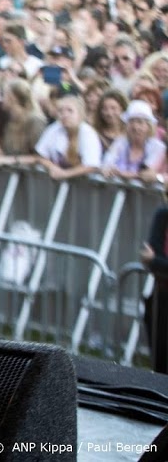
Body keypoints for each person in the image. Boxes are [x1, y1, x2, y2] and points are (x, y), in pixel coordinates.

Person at [101, 100, 166, 183]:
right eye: (132, 122)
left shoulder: (157, 146)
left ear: (148, 126)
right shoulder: (120, 143)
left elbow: (147, 175)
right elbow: (106, 165)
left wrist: (120, 174)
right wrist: (108, 170)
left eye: (140, 122)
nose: (135, 127)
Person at [141, 200, 168, 374]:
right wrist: (156, 262)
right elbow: (149, 260)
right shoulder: (162, 215)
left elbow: (153, 259)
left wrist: (156, 261)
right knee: (160, 367)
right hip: (161, 299)